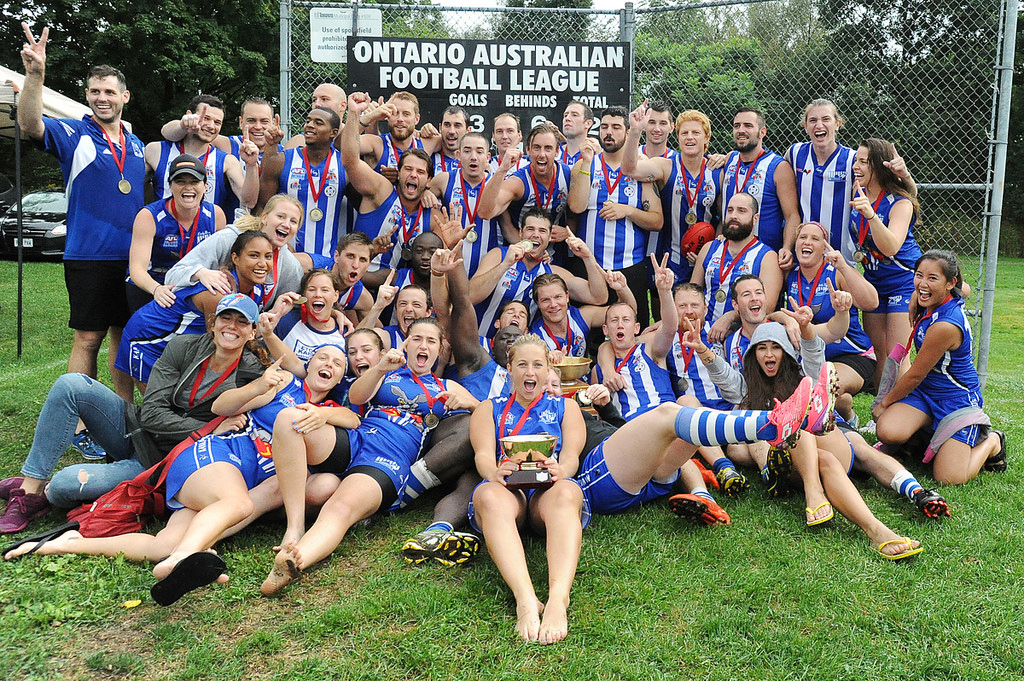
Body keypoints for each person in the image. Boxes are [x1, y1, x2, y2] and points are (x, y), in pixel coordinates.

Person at [4, 345, 353, 608]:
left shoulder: (334, 414)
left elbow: (353, 421)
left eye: (338, 363)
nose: (329, 364)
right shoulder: (286, 386)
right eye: (322, 357)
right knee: (237, 503)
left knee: (162, 544)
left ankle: (65, 545)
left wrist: (328, 417)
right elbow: (222, 406)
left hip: (225, 481)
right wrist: (260, 385)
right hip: (216, 457)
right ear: (307, 363)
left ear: (341, 379)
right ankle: (184, 558)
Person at [0, 294, 265, 534]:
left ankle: (45, 491)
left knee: (62, 486)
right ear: (213, 324)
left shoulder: (251, 375)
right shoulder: (184, 347)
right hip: (136, 428)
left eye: (242, 322)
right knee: (71, 385)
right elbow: (150, 412)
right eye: (225, 318)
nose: (231, 326)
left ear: (252, 332)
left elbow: (288, 379)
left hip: (158, 462)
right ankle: (28, 491)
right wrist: (205, 430)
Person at [260, 318, 479, 595]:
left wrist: (471, 403)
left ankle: (295, 559)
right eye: (417, 339)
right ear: (406, 344)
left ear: (439, 349)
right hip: (357, 437)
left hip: (388, 458)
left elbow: (485, 415)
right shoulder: (388, 373)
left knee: (340, 508)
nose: (423, 345)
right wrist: (379, 368)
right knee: (290, 419)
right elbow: (357, 394)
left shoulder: (446, 385)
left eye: (431, 341)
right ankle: (294, 528)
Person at [683, 317, 924, 559]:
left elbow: (813, 357)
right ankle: (877, 532)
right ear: (753, 353)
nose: (769, 354)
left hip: (826, 444)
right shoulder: (747, 387)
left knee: (804, 410)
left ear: (786, 351)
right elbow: (723, 374)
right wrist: (702, 349)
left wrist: (806, 328)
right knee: (820, 452)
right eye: (762, 348)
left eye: (775, 347)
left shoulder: (800, 377)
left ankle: (817, 487)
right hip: (792, 464)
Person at [18, 24, 144, 403]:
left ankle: (121, 413)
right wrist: (35, 76)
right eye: (95, 91)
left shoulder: (136, 143)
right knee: (89, 338)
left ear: (124, 96)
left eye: (109, 91)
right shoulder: (74, 133)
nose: (101, 98)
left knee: (124, 337)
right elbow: (30, 124)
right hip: (88, 254)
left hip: (131, 259)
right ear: (86, 94)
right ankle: (80, 421)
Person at [469, 334, 588, 644]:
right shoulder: (488, 409)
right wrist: (494, 473)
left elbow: (571, 456)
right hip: (510, 493)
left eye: (538, 364)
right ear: (509, 368)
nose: (530, 372)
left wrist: (562, 470)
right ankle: (525, 597)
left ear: (549, 368)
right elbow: (482, 454)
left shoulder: (566, 407)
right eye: (522, 364)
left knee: (567, 493)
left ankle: (558, 598)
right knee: (488, 496)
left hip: (546, 494)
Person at [873, 250, 1005, 485]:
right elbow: (965, 289)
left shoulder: (945, 326)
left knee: (949, 478)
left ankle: (993, 441)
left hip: (957, 400)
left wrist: (884, 402)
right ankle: (924, 436)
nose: (923, 283)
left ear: (949, 283)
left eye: (932, 278)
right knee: (888, 431)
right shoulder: (937, 297)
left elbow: (914, 375)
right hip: (927, 392)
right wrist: (918, 294)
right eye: (919, 275)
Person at [115, 230, 272, 390]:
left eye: (268, 256)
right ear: (235, 258)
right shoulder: (219, 294)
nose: (262, 263)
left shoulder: (256, 289)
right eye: (254, 255)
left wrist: (277, 314)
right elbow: (217, 347)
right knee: (160, 408)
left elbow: (247, 334)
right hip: (149, 339)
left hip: (177, 344)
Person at [785, 99, 916, 263]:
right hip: (806, 251)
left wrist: (905, 176)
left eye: (826, 119)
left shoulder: (853, 160)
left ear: (837, 123)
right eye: (813, 120)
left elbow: (903, 195)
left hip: (842, 255)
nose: (819, 125)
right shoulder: (795, 153)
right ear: (805, 126)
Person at [567, 106, 663, 325]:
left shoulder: (640, 169)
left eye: (616, 127)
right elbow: (576, 206)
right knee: (587, 332)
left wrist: (627, 210)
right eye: (604, 127)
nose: (608, 132)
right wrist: (588, 163)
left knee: (633, 329)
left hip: (630, 265)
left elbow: (657, 220)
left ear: (628, 133)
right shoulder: (585, 164)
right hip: (590, 264)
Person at [786, 221, 878, 424]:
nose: (807, 242)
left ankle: (845, 419)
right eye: (802, 237)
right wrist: (786, 319)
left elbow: (872, 301)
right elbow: (772, 312)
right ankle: (844, 408)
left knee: (824, 386)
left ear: (824, 248)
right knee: (808, 389)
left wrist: (844, 266)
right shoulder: (790, 275)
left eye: (815, 239)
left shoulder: (836, 273)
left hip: (850, 353)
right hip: (812, 355)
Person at [848, 138, 923, 388]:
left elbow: (891, 246)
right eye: (855, 161)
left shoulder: (899, 202)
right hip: (874, 280)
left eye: (863, 162)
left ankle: (897, 408)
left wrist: (870, 215)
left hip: (903, 280)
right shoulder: (857, 193)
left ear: (879, 166)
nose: (856, 166)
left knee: (896, 355)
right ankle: (879, 409)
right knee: (879, 353)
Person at [470, 207, 608, 338]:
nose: (535, 235)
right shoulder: (499, 255)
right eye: (530, 229)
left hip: (519, 352)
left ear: (549, 238)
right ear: (520, 233)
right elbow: (470, 296)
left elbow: (598, 297)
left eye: (542, 231)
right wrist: (504, 265)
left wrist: (588, 257)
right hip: (480, 344)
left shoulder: (552, 273)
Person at [623, 103, 722, 284]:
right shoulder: (666, 166)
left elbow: (724, 217)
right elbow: (630, 169)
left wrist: (712, 248)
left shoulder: (718, 172)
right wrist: (635, 131)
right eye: (684, 133)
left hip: (705, 257)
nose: (689, 137)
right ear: (677, 136)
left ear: (706, 138)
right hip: (672, 258)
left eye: (696, 133)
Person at [344, 93, 443, 272]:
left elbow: (454, 139)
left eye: (420, 172)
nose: (400, 119)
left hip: (405, 287)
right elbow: (349, 158)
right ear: (398, 174)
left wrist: (428, 191)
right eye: (408, 169)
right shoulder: (381, 187)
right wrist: (356, 115)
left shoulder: (433, 213)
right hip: (362, 278)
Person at [164, 194, 305, 307]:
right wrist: (200, 273)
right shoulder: (228, 238)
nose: (286, 224)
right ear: (264, 218)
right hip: (186, 321)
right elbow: (172, 275)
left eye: (293, 221)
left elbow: (293, 304)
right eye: (280, 216)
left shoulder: (290, 264)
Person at [126, 154, 225, 313]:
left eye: (194, 182)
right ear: (170, 186)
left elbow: (222, 263)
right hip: (154, 281)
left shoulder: (215, 214)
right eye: (180, 182)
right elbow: (137, 270)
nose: (188, 187)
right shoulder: (149, 216)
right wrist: (157, 289)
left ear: (205, 186)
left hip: (193, 280)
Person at [145, 95, 259, 217]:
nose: (211, 126)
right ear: (189, 114)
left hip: (207, 234)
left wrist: (251, 165)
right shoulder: (156, 151)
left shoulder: (227, 161)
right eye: (206, 118)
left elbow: (249, 202)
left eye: (217, 122)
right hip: (162, 232)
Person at [259, 108, 348, 259]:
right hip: (284, 255)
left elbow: (365, 205)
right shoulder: (281, 161)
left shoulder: (345, 165)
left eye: (318, 123)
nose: (309, 125)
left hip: (326, 259)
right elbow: (261, 209)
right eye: (308, 121)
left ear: (333, 133)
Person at [720, 108, 801, 266]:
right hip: (729, 254)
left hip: (763, 258)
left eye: (748, 126)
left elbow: (792, 215)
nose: (741, 130)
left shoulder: (778, 167)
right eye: (737, 126)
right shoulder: (729, 160)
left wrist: (786, 248)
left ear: (762, 132)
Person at [690, 192, 781, 332]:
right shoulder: (709, 248)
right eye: (730, 210)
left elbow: (766, 307)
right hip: (702, 330)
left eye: (741, 211)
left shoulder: (767, 257)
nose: (733, 216)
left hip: (742, 334)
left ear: (755, 218)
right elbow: (692, 293)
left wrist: (731, 316)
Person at [427, 131, 502, 276]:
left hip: (486, 267)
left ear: (487, 158)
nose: (473, 157)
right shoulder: (444, 180)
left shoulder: (496, 185)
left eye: (479, 152)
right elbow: (419, 193)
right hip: (452, 265)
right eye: (467, 151)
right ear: (458, 155)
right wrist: (425, 193)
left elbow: (507, 227)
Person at [530, 272, 634, 361]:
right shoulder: (534, 337)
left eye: (558, 297)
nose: (553, 304)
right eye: (545, 300)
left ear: (567, 296)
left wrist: (622, 289)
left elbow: (628, 312)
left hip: (584, 382)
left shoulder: (582, 316)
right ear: (537, 303)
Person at [261, 269, 348, 361]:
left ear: (336, 296)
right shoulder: (287, 321)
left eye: (325, 290)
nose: (318, 295)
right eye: (312, 289)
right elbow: (256, 346)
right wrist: (274, 312)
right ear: (303, 295)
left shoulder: (344, 332)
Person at [431, 106, 468, 174]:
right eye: (447, 125)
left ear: (468, 130)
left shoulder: (474, 163)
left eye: (457, 125)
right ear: (440, 128)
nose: (452, 131)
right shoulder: (429, 158)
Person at [559, 100, 594, 166]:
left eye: (574, 115)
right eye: (565, 115)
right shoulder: (553, 153)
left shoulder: (597, 155)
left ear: (588, 123)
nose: (567, 118)